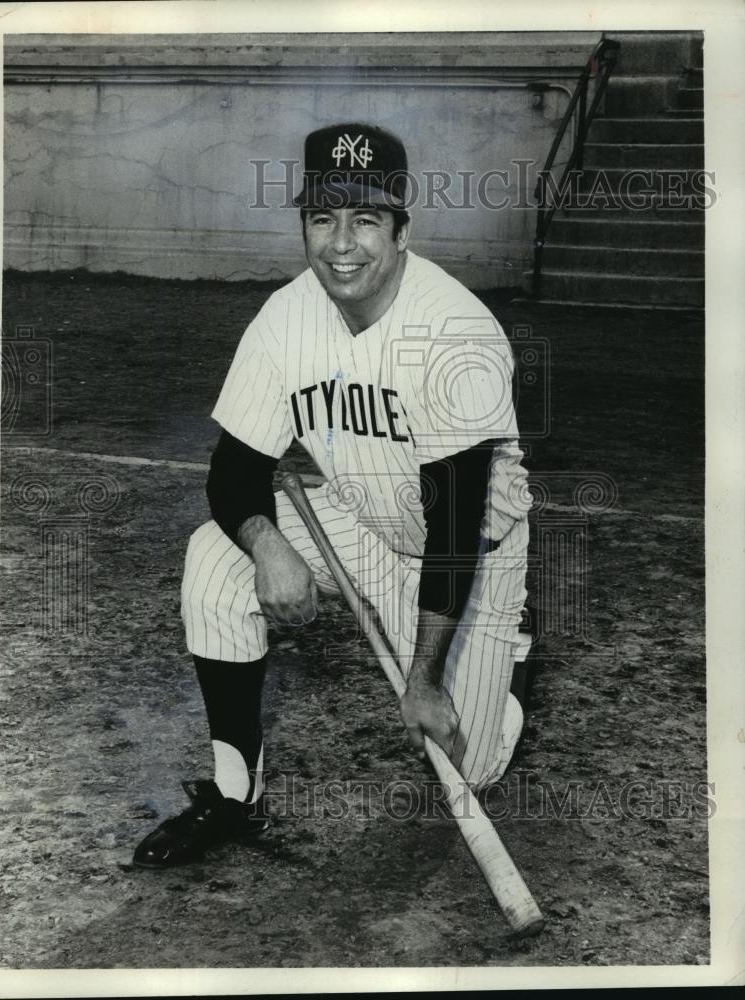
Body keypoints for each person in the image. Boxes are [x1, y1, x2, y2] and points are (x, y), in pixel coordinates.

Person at [133, 123, 532, 869]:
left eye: (366, 220)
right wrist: (268, 544)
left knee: (466, 763)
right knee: (214, 560)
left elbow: (454, 525)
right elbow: (233, 470)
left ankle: (507, 671)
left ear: (403, 230)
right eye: (323, 218)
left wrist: (423, 679)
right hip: (358, 517)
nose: (341, 244)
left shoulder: (454, 332)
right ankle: (233, 791)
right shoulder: (287, 317)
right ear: (304, 225)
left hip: (467, 552)